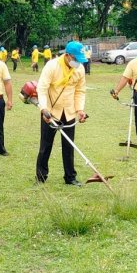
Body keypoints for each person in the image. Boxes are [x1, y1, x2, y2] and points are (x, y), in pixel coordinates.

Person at [35, 41, 87, 186]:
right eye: (75, 59)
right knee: (46, 146)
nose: (77, 62)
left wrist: (80, 110)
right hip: (50, 112)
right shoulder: (52, 66)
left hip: (69, 112)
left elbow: (80, 91)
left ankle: (70, 177)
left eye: (79, 59)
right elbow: (42, 88)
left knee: (69, 146)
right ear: (68, 55)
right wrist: (43, 108)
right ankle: (41, 177)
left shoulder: (80, 69)